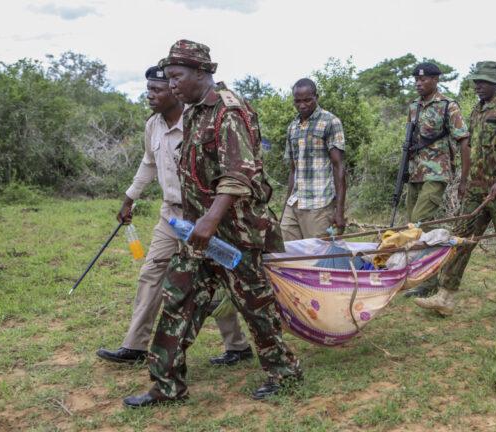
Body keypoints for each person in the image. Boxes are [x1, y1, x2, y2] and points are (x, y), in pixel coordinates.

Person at [123, 40, 301, 407]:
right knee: (177, 299)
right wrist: (193, 224)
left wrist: (209, 220)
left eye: (177, 77)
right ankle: (166, 386)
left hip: (236, 234)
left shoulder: (229, 112)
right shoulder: (192, 113)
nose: (172, 85)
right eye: (169, 78)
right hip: (199, 234)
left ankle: (284, 372)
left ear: (201, 73)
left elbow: (239, 175)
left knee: (256, 307)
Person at [96, 66, 253, 367]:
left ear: (173, 89)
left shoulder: (199, 121)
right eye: (148, 90)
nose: (150, 96)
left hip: (204, 216)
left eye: (156, 90)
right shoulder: (152, 125)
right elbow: (148, 162)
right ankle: (135, 346)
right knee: (151, 274)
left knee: (217, 279)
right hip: (170, 216)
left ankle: (238, 346)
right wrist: (129, 198)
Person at [414, 61, 496, 316]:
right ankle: (445, 297)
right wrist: (464, 181)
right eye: (476, 81)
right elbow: (471, 149)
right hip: (477, 188)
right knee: (461, 240)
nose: (478, 86)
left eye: (483, 82)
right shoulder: (476, 110)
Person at [401, 62, 470, 298]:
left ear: (435, 80)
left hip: (437, 172)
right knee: (415, 224)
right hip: (416, 172)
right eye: (416, 80)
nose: (419, 83)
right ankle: (423, 276)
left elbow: (463, 140)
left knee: (418, 222)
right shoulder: (413, 107)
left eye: (424, 79)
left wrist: (463, 179)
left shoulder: (447, 106)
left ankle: (427, 279)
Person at [281, 78, 346, 240]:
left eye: (307, 100)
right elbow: (293, 170)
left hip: (320, 204)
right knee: (285, 251)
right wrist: (285, 206)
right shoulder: (292, 127)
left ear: (316, 97)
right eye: (297, 101)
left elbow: (339, 167)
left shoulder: (330, 122)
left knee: (317, 258)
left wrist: (339, 211)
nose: (302, 105)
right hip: (295, 202)